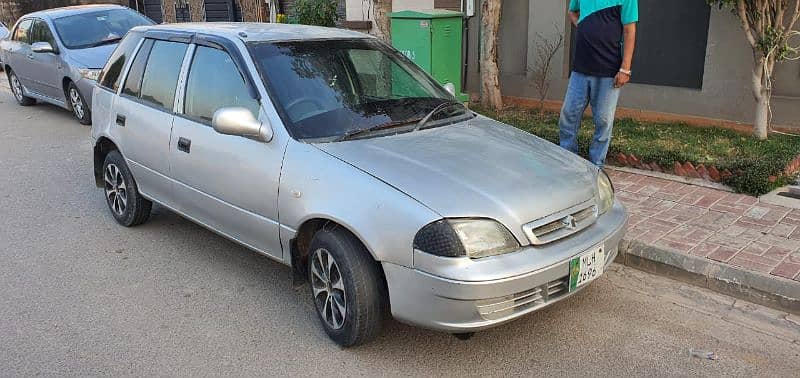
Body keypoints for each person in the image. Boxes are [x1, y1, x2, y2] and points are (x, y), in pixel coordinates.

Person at [559, 0, 638, 167]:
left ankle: (596, 167)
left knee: (603, 121)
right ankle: (567, 160)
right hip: (580, 68)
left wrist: (625, 69)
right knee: (568, 116)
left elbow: (629, 30)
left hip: (609, 70)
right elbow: (572, 12)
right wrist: (583, 27)